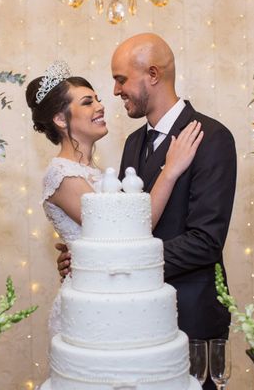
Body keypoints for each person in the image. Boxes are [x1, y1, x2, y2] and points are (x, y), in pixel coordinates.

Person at [56, 34, 237, 390]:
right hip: (133, 322)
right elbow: (130, 226)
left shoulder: (212, 137)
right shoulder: (132, 143)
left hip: (190, 318)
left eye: (121, 79)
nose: (115, 90)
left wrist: (118, 266)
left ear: (152, 74)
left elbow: (205, 242)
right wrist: (92, 256)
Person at [25, 59, 203, 336]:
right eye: (87, 102)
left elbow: (105, 235)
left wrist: (81, 253)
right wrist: (170, 171)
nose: (100, 105)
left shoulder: (95, 172)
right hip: (92, 302)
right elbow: (130, 229)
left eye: (97, 99)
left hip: (115, 293)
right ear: (60, 119)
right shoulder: (61, 174)